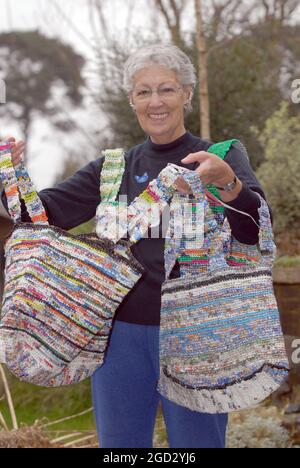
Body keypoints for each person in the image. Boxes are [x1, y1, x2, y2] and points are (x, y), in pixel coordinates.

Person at [0, 43, 273, 449]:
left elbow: (255, 229)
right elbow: (41, 217)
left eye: (166, 89)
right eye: (143, 92)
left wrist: (229, 184)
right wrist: (9, 173)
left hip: (200, 333)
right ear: (132, 100)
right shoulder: (115, 168)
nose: (155, 101)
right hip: (120, 340)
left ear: (187, 93)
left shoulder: (220, 156)